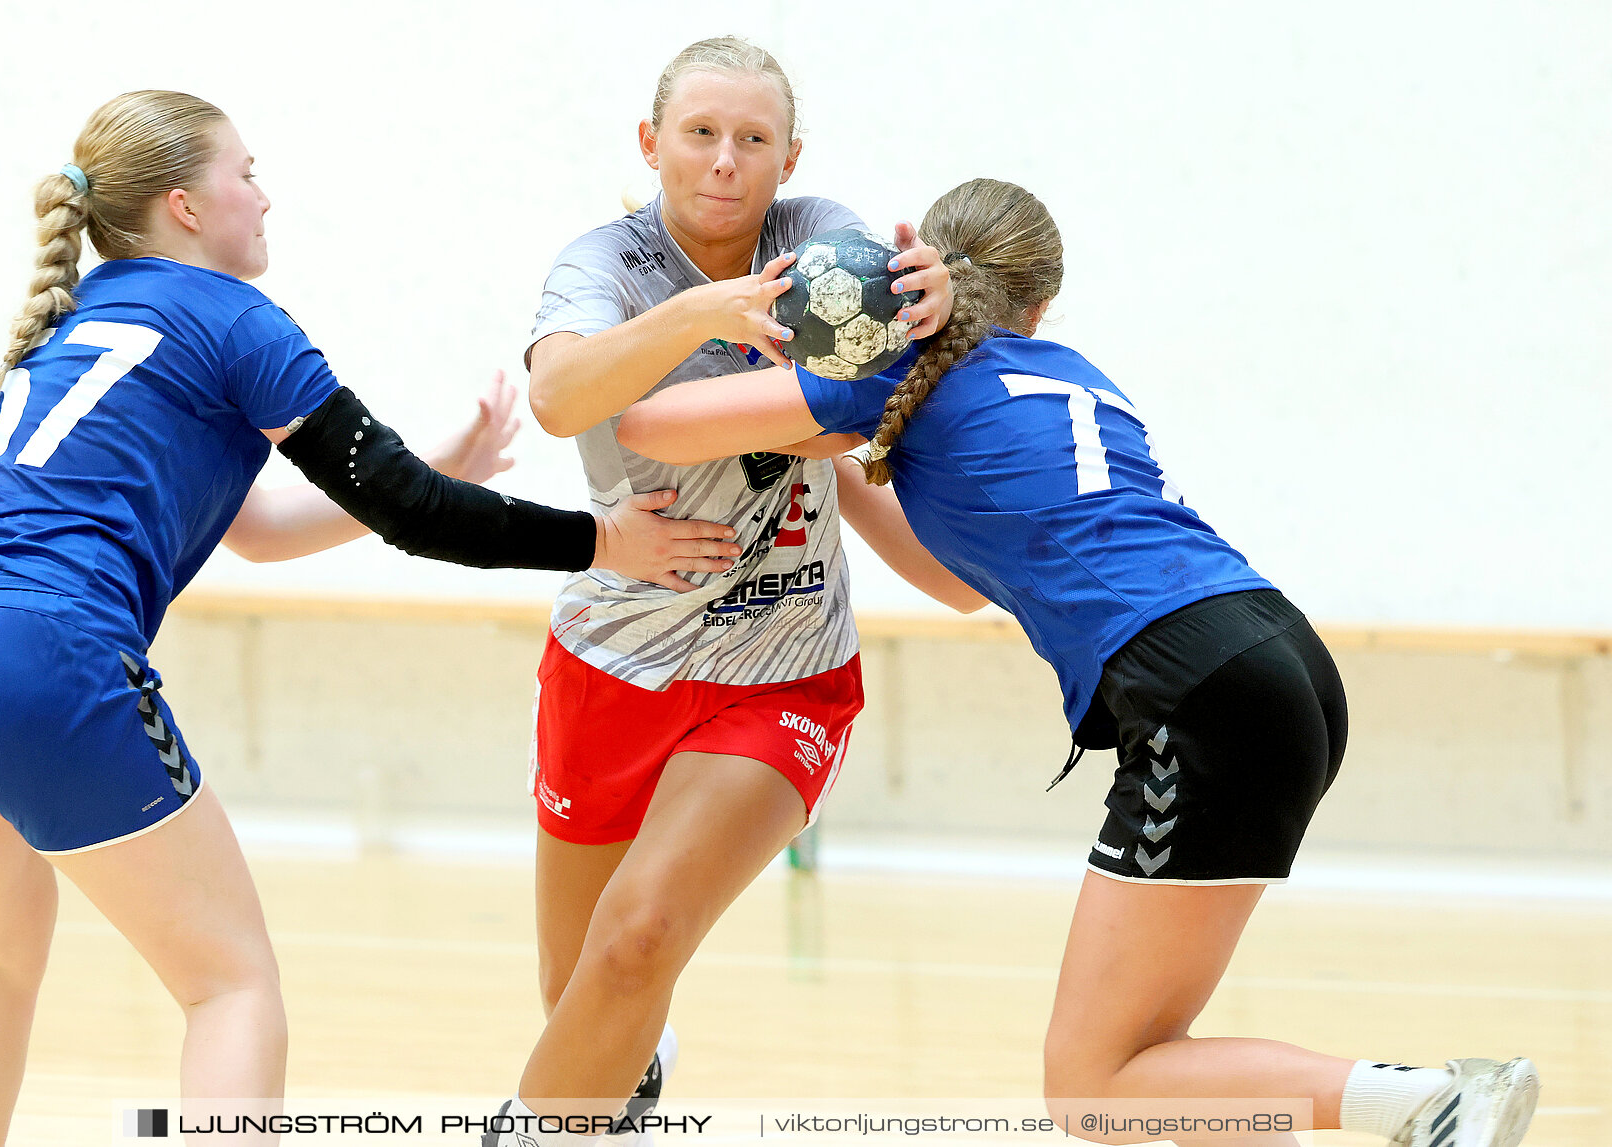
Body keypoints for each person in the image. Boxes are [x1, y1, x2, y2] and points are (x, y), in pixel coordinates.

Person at [0, 90, 742, 1147]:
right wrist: (602, 541)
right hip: (34, 652)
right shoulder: (233, 318)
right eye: (246, 173)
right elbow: (406, 511)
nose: (264, 195)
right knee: (231, 985)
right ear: (184, 205)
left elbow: (258, 526)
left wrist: (441, 465)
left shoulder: (81, 326)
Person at [616, 178, 1540, 1147]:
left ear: (921, 268)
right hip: (1277, 657)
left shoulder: (894, 363)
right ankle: (1422, 1102)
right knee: (1155, 1061)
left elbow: (648, 424)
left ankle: (1433, 1099)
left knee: (1094, 1085)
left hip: (1198, 689)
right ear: (1041, 303)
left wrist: (714, 320)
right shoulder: (1072, 372)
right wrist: (838, 460)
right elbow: (960, 583)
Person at [494, 36, 956, 1142]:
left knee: (638, 939)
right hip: (616, 657)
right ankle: (627, 1083)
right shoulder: (603, 262)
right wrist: (703, 316)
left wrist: (940, 294)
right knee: (581, 991)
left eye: (753, 139)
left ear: (790, 156)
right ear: (652, 144)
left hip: (783, 667)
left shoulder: (822, 244)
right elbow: (558, 397)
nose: (724, 161)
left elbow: (878, 382)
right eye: (700, 134)